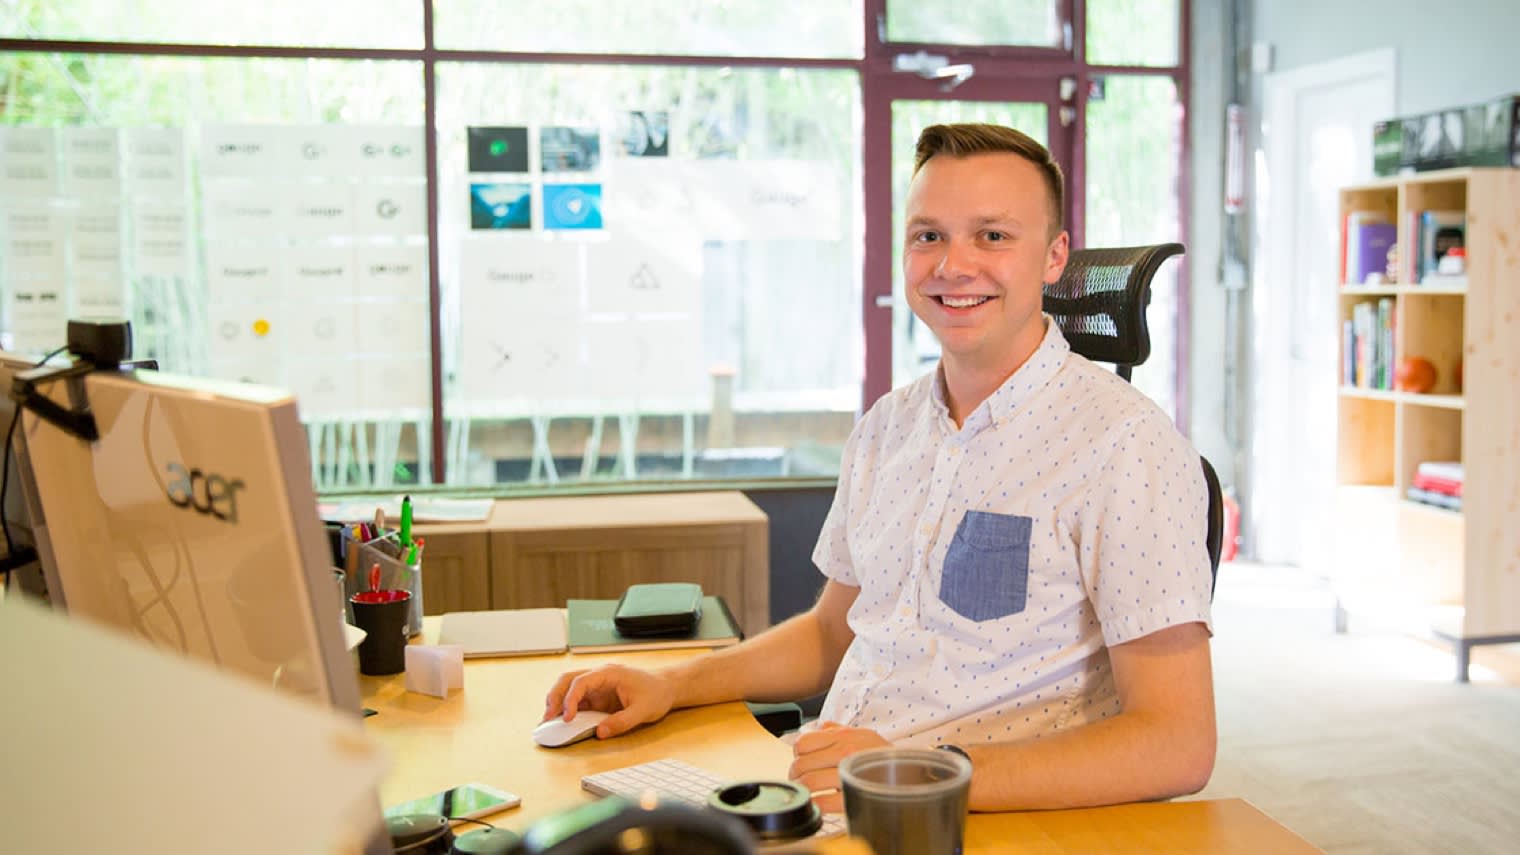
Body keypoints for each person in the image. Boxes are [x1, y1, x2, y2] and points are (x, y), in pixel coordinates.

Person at [544, 123, 1216, 813]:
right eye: (928, 235)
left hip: (963, 822)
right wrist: (672, 683)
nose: (953, 265)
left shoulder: (1126, 446)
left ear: (1053, 257)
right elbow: (831, 634)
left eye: (992, 236)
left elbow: (1177, 739)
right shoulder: (887, 428)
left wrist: (914, 774)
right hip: (823, 796)